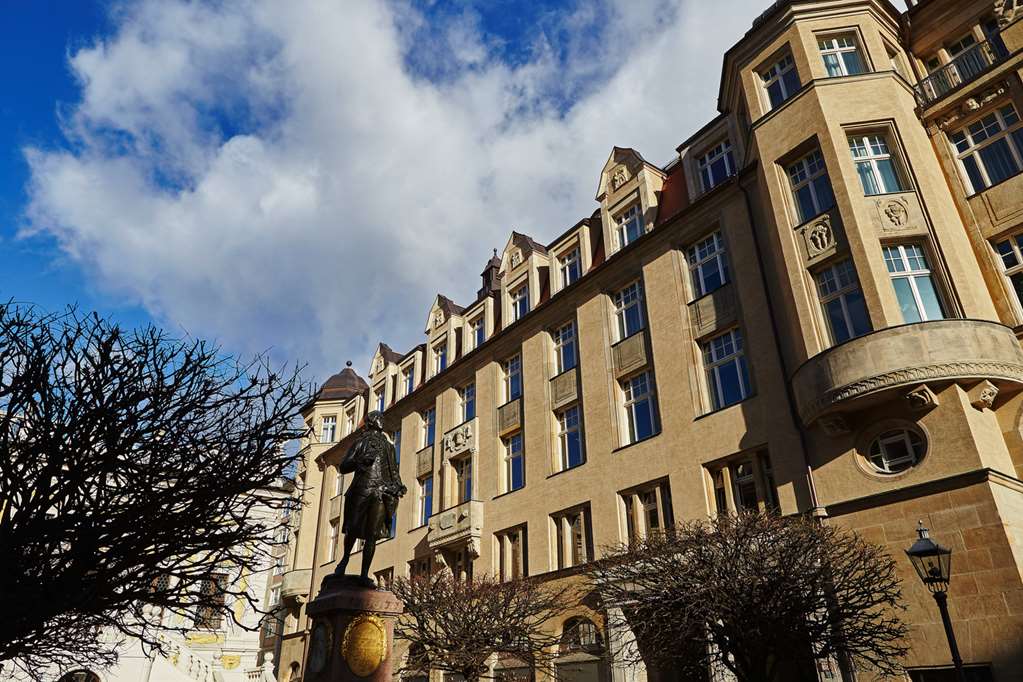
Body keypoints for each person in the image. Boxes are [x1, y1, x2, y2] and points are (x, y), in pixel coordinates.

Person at [332, 410, 406, 585]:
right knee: (352, 528)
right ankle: (344, 560)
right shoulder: (360, 442)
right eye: (378, 418)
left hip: (381, 491)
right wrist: (360, 461)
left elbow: (393, 470)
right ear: (372, 422)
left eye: (382, 418)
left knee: (372, 534)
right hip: (362, 489)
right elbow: (343, 466)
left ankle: (364, 574)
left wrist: (399, 484)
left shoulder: (388, 446)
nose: (382, 421)